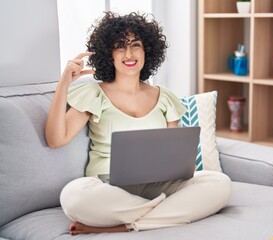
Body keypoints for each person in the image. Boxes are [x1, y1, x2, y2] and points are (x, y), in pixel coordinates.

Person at [45, 11, 231, 235]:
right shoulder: (94, 93)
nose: (129, 53)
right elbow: (55, 139)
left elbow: (179, 159)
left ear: (147, 50)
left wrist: (183, 169)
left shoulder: (165, 97)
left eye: (135, 45)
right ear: (109, 54)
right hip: (108, 187)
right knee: (73, 195)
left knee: (219, 183)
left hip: (159, 184)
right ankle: (166, 213)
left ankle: (127, 224)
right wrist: (63, 84)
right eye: (120, 46)